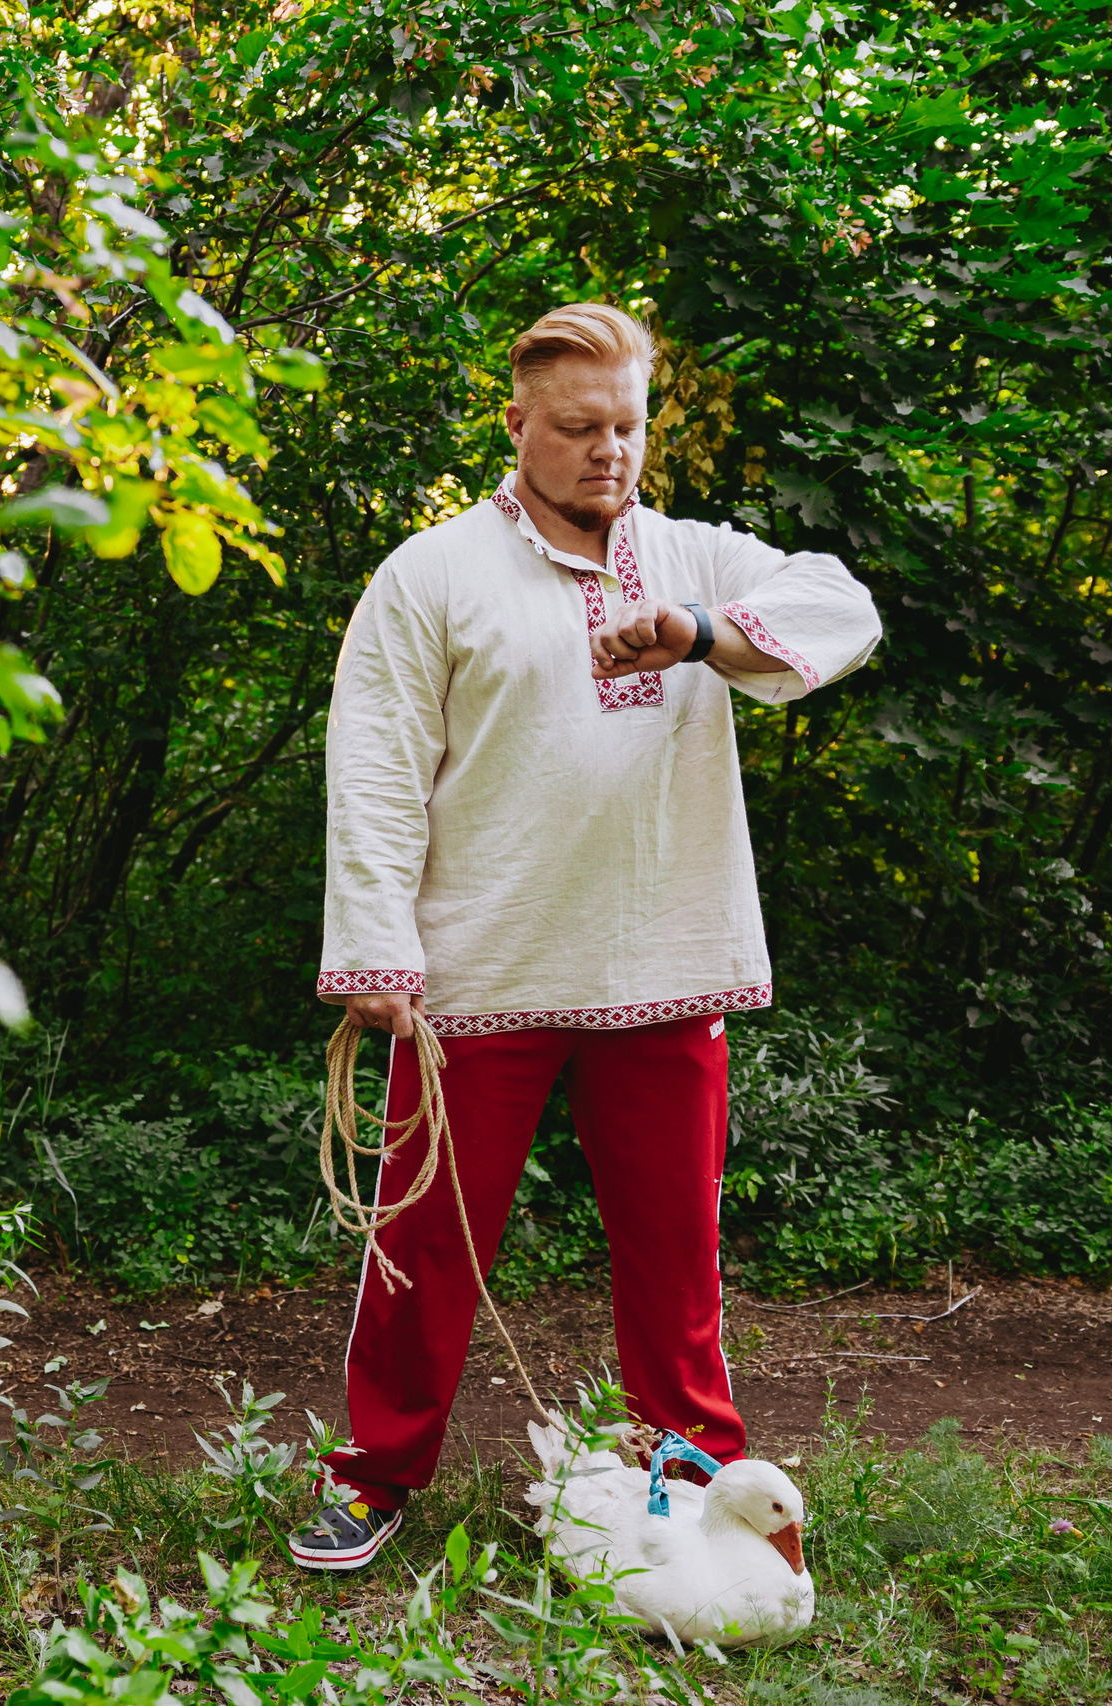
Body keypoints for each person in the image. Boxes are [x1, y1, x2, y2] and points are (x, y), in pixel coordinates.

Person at [287, 302, 881, 1572]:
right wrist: (377, 951)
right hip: (481, 970)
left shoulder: (690, 555)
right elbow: (378, 768)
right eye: (576, 426)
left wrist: (699, 634)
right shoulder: (434, 572)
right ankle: (374, 1475)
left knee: (676, 1262)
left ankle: (703, 1495)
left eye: (626, 424)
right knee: (423, 1248)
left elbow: (840, 609)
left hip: (665, 958)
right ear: (517, 425)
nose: (608, 449)